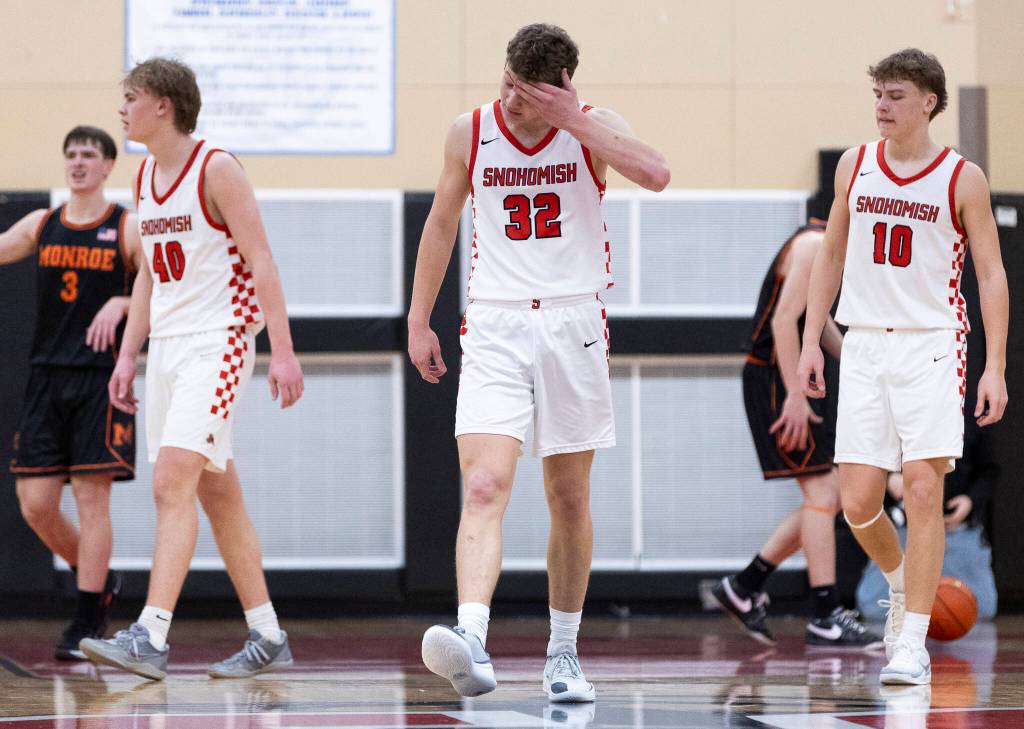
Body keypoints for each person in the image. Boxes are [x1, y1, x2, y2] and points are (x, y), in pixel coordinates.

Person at [407, 23, 669, 702]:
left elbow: (657, 174)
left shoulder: (591, 129)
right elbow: (440, 223)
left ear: (558, 87)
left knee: (569, 496)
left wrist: (572, 119)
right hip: (493, 320)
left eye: (530, 94)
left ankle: (563, 652)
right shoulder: (470, 131)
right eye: (508, 87)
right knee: (486, 485)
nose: (513, 102)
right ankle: (471, 637)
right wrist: (418, 318)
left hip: (572, 321)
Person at [79, 57, 305, 680]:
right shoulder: (145, 177)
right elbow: (149, 272)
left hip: (221, 340)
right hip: (171, 348)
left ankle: (149, 636)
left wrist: (282, 350)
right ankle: (267, 634)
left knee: (170, 481)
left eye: (131, 98)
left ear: (164, 106)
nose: (121, 109)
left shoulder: (218, 168)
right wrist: (129, 353)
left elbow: (262, 258)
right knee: (216, 491)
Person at [797, 48, 1008, 685]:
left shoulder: (961, 177)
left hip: (933, 343)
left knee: (922, 486)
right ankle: (900, 585)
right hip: (863, 344)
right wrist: (813, 339)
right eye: (878, 95)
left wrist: (994, 365)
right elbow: (830, 254)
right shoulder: (854, 166)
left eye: (894, 95)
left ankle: (910, 641)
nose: (882, 106)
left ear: (928, 103)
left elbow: (992, 274)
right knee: (859, 503)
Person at [0, 126, 139, 660]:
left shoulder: (126, 228)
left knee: (90, 498)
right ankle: (97, 579)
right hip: (46, 376)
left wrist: (123, 305)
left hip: (99, 380)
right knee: (35, 504)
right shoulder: (43, 224)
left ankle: (86, 617)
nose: (79, 162)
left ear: (107, 166)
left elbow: (163, 285)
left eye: (90, 154)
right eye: (72, 154)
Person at [711, 220, 882, 649]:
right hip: (774, 376)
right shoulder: (813, 245)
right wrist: (793, 396)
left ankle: (745, 586)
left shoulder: (826, 247)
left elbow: (817, 320)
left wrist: (860, 365)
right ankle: (825, 613)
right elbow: (784, 324)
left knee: (828, 496)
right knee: (824, 495)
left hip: (785, 377)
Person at [856, 418, 999, 622]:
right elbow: (864, 459)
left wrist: (970, 501)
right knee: (873, 607)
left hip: (956, 529)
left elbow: (990, 470)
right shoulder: (894, 403)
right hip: (905, 530)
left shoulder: (971, 405)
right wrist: (889, 477)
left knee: (981, 608)